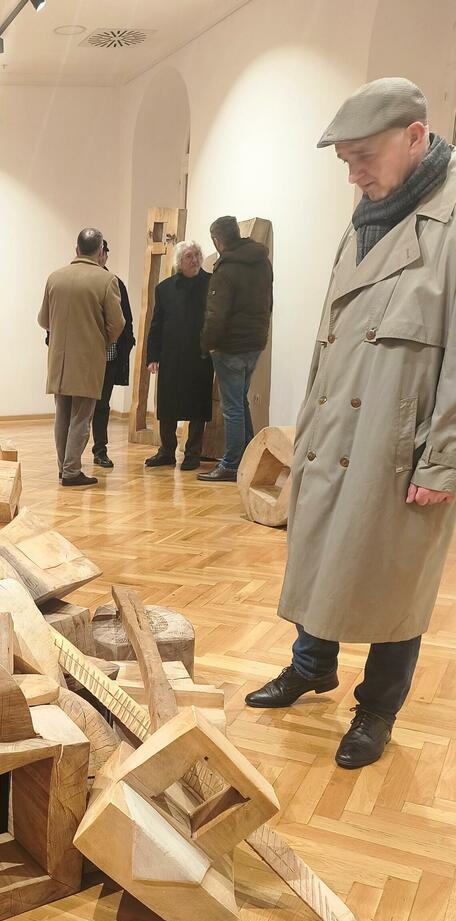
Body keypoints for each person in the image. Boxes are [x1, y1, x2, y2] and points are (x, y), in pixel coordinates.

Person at [247, 77, 456, 769]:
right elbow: (329, 335)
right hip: (338, 425)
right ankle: (313, 665)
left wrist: (442, 460)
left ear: (415, 137)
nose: (354, 171)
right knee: (323, 551)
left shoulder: (448, 222)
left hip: (401, 440)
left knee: (396, 578)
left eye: (364, 154)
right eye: (344, 159)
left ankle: (378, 709)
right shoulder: (367, 213)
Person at [39, 227, 124, 487]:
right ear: (100, 252)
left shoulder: (55, 278)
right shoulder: (106, 280)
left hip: (59, 359)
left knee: (62, 415)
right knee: (81, 417)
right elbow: (118, 324)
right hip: (88, 360)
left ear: (76, 249)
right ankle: (72, 471)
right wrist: (101, 341)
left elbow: (43, 320)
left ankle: (63, 467)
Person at [197, 215, 273, 482]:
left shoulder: (226, 269)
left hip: (229, 346)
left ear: (217, 240)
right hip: (254, 342)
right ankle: (251, 456)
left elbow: (216, 314)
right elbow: (268, 302)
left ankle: (230, 464)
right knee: (240, 401)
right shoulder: (262, 262)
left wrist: (208, 344)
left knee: (231, 407)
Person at [143, 240, 214, 470]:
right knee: (168, 405)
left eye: (196, 255)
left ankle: (193, 453)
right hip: (171, 356)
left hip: (201, 355)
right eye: (188, 257)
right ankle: (166, 451)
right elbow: (156, 324)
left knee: (198, 406)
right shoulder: (164, 289)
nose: (193, 260)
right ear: (179, 262)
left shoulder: (211, 284)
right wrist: (152, 356)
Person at [90, 239, 134, 469]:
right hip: (84, 357)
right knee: (76, 408)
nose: (100, 256)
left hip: (108, 356)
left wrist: (123, 346)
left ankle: (100, 450)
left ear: (106, 255)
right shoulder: (79, 282)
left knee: (102, 404)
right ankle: (70, 456)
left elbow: (125, 320)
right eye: (96, 252)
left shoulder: (116, 283)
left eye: (103, 252)